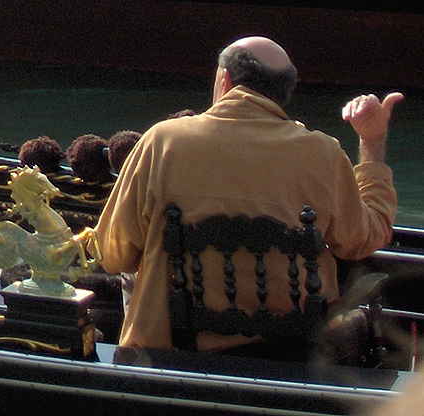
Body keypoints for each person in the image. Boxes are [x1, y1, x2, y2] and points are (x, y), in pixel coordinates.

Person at [96, 36, 402, 352]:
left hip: (174, 351)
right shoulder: (323, 153)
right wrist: (372, 140)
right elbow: (366, 237)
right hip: (296, 352)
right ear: (283, 93)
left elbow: (113, 254)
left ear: (224, 80)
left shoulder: (162, 141)